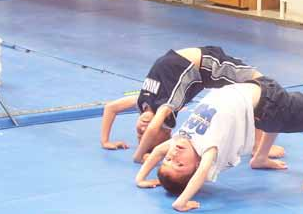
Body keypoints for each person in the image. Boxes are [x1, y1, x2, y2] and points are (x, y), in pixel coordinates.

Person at [135, 77, 303, 210]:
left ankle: (261, 158)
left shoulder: (181, 140)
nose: (173, 155)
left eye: (168, 159)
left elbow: (158, 151)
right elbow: (203, 173)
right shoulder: (208, 149)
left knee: (275, 120)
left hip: (256, 99)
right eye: (179, 164)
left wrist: (141, 178)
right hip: (268, 100)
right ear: (195, 165)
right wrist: (181, 202)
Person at [99, 45, 283, 162]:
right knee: (262, 88)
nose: (142, 130)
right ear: (166, 129)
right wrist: (140, 155)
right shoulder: (166, 106)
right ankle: (258, 146)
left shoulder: (143, 102)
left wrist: (106, 141)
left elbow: (111, 108)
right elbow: (155, 124)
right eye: (146, 135)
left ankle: (258, 145)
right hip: (206, 69)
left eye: (138, 132)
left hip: (203, 63)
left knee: (261, 87)